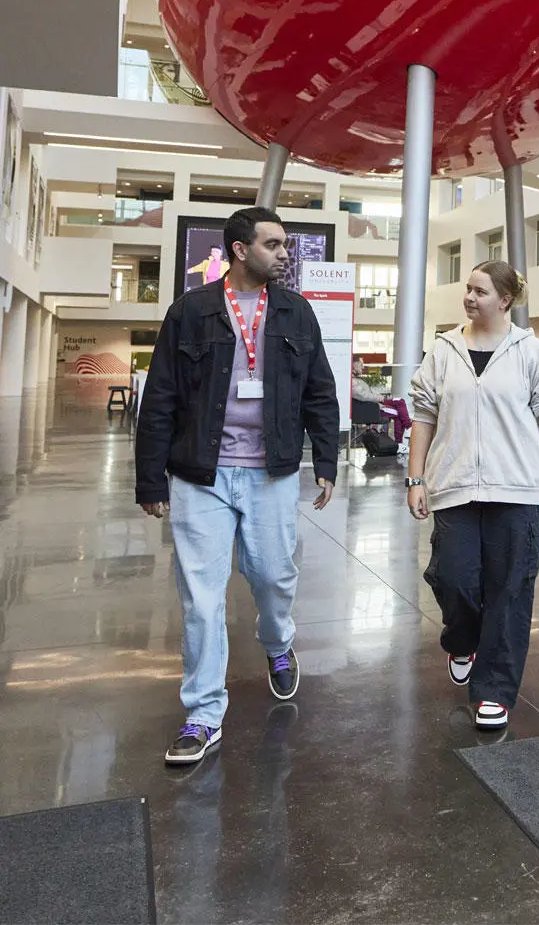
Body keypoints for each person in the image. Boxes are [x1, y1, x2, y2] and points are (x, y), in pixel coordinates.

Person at [136, 206, 340, 766]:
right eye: (274, 245)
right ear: (240, 249)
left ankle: (278, 643)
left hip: (271, 472)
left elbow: (320, 391)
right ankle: (203, 714)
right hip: (199, 474)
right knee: (201, 599)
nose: (285, 254)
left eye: (285, 244)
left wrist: (326, 459)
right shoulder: (191, 311)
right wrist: (150, 478)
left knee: (274, 576)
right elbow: (160, 397)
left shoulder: (296, 312)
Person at [407, 261, 539, 731]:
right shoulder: (444, 349)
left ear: (505, 300)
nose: (469, 297)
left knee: (510, 589)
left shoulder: (529, 351)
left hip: (515, 487)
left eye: (480, 291)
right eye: (468, 289)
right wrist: (415, 479)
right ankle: (462, 640)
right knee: (454, 578)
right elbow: (423, 416)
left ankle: (494, 690)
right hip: (454, 484)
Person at [351, 354, 412, 449]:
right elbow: (363, 396)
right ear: (354, 364)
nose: (363, 367)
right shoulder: (353, 382)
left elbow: (365, 395)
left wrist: (379, 398)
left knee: (400, 402)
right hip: (372, 408)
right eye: (361, 364)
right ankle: (405, 433)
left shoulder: (354, 380)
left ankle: (406, 430)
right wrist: (379, 399)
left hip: (374, 405)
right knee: (399, 411)